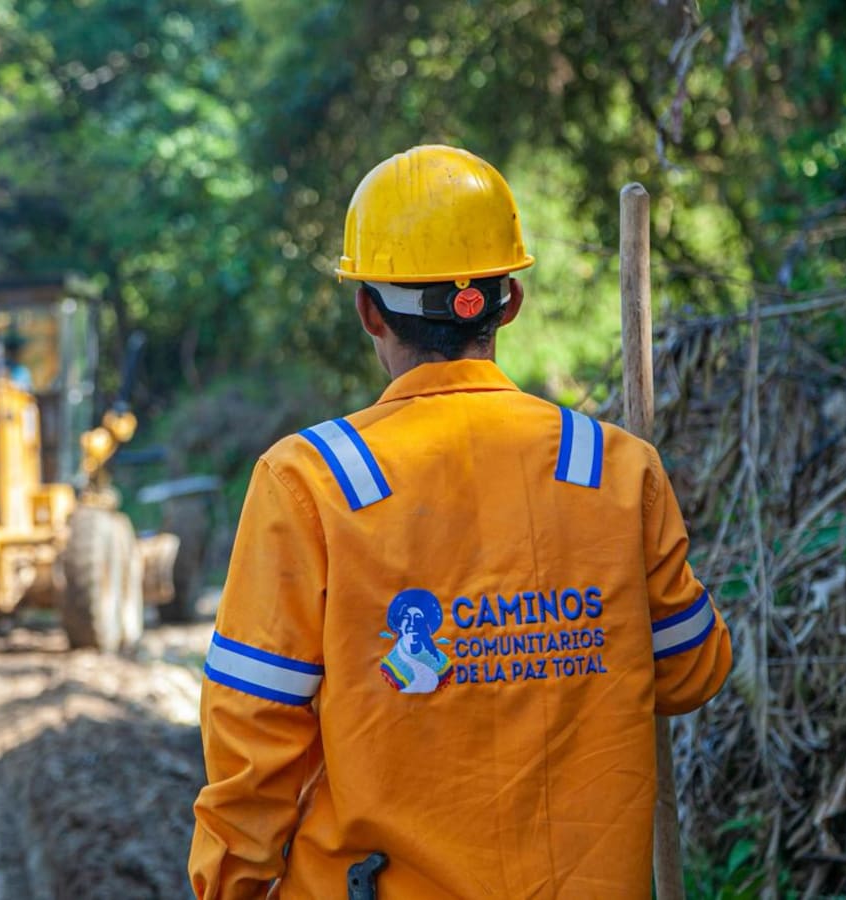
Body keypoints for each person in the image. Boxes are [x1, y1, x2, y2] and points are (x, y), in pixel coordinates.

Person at [188, 144, 732, 898]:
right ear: (509, 303)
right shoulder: (611, 466)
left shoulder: (312, 481)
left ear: (368, 309)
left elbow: (254, 738)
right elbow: (692, 671)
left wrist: (232, 888)